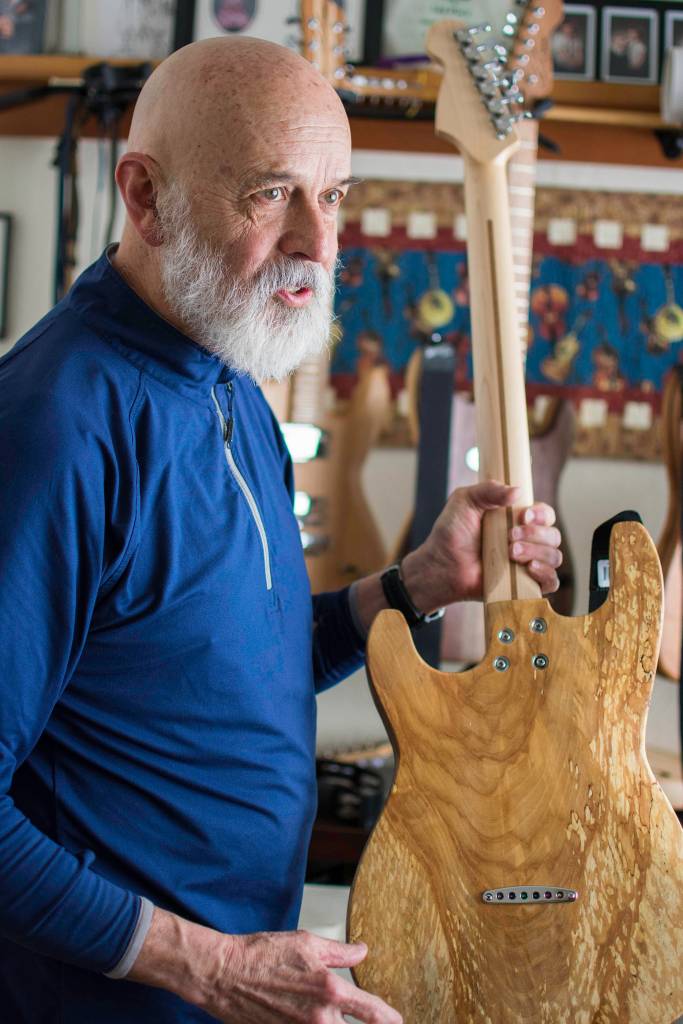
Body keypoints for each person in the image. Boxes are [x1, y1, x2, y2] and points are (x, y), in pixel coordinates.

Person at [0, 36, 563, 1024]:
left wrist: (415, 583)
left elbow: (226, 666)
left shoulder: (229, 376)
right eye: (271, 194)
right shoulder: (59, 426)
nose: (319, 242)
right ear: (145, 197)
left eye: (333, 196)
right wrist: (207, 965)